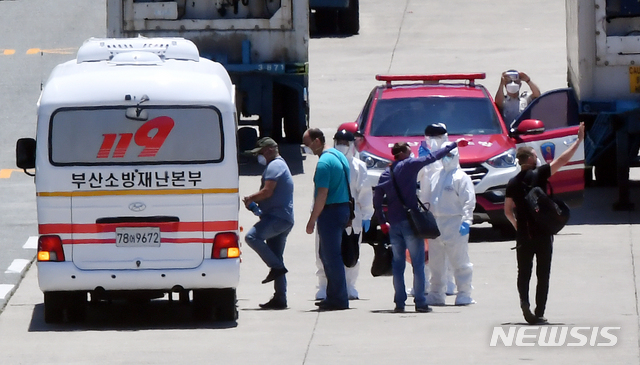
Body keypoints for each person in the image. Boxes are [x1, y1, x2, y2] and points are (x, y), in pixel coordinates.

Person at [504, 122, 585, 324]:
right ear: (531, 159)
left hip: (523, 234)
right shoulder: (539, 174)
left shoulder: (513, 182)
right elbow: (563, 159)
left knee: (524, 272)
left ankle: (524, 302)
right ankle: (539, 312)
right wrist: (578, 141)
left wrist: (516, 225)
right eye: (535, 154)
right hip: (542, 232)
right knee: (543, 273)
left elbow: (507, 210)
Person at [373, 139, 463, 313]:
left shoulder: (386, 173)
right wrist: (453, 145)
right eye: (409, 150)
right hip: (411, 222)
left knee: (398, 264)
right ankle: (420, 302)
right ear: (404, 153)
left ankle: (399, 302)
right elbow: (432, 157)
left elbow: (377, 200)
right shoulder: (410, 165)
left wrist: (383, 222)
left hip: (394, 224)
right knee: (418, 264)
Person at [315, 129, 374, 301]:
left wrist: (367, 215)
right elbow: (318, 191)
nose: (342, 146)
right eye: (338, 142)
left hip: (352, 215)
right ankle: (324, 285)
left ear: (352, 145)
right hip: (326, 213)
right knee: (324, 251)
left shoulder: (358, 166)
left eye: (345, 143)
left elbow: (365, 193)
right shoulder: (327, 162)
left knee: (351, 251)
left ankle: (350, 286)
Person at [243, 137, 295, 310]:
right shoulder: (277, 165)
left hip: (278, 218)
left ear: (271, 150)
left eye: (262, 152)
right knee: (276, 256)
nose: (260, 156)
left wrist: (251, 198)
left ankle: (276, 268)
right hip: (279, 217)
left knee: (252, 237)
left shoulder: (275, 166)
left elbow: (267, 191)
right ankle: (280, 298)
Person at [303, 128, 351, 311]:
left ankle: (338, 298)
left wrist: (311, 220)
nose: (306, 148)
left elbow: (322, 195)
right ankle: (334, 295)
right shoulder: (338, 156)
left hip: (331, 212)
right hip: (342, 208)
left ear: (317, 141)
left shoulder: (324, 163)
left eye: (307, 144)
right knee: (327, 255)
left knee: (331, 257)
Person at [423, 147, 476, 306]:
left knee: (459, 261)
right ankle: (436, 294)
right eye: (444, 155)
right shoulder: (436, 176)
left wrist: (467, 221)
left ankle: (464, 294)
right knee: (436, 263)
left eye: (450, 155)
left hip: (455, 223)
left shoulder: (461, 177)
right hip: (436, 224)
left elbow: (469, 201)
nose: (446, 158)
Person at [417, 123, 456, 297]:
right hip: (426, 206)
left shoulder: (450, 151)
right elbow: (418, 177)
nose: (433, 141)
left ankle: (448, 283)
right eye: (431, 137)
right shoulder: (422, 150)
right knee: (426, 250)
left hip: (447, 208)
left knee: (448, 249)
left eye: (437, 137)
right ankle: (424, 283)